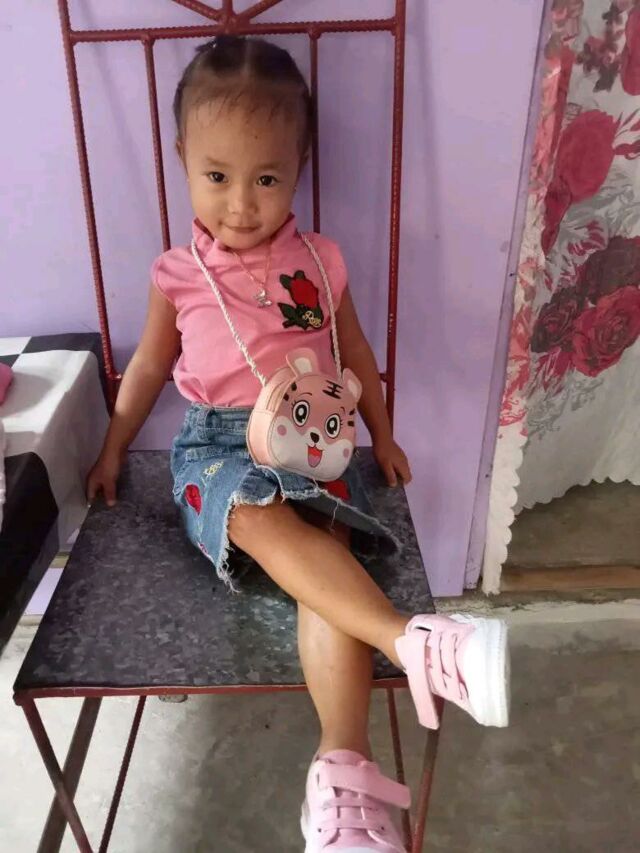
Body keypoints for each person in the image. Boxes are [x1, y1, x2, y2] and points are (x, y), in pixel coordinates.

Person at [87, 36, 509, 853]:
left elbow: (356, 354)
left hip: (316, 443)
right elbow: (146, 368)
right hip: (217, 448)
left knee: (327, 559)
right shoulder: (179, 273)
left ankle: (341, 773)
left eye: (267, 179)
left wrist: (383, 434)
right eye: (217, 176)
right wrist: (112, 448)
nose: (241, 204)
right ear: (182, 160)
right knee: (250, 508)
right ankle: (412, 638)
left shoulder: (319, 260)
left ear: (299, 169)